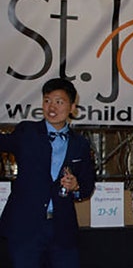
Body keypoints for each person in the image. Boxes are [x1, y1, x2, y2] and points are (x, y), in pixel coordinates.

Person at [0, 78, 96, 268]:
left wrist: (76, 186)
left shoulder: (80, 144)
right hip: (25, 227)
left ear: (72, 107)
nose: (51, 107)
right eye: (47, 100)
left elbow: (87, 185)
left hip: (62, 229)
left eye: (59, 101)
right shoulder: (27, 131)